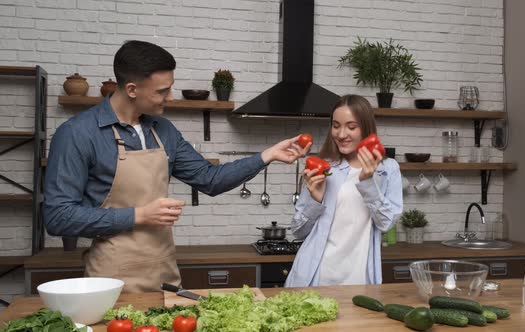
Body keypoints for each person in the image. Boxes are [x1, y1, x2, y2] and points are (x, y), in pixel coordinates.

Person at [43, 40, 309, 293]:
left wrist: (267, 156)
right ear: (132, 89)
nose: (169, 96)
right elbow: (58, 217)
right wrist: (138, 215)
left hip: (165, 275)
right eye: (161, 91)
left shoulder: (163, 130)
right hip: (110, 282)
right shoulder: (78, 134)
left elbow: (210, 179)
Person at [285, 94, 402, 287]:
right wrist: (315, 200)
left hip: (360, 281)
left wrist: (367, 181)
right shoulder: (322, 167)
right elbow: (298, 232)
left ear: (366, 128)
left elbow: (386, 224)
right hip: (315, 278)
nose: (341, 134)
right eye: (336, 125)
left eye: (351, 126)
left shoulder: (387, 170)